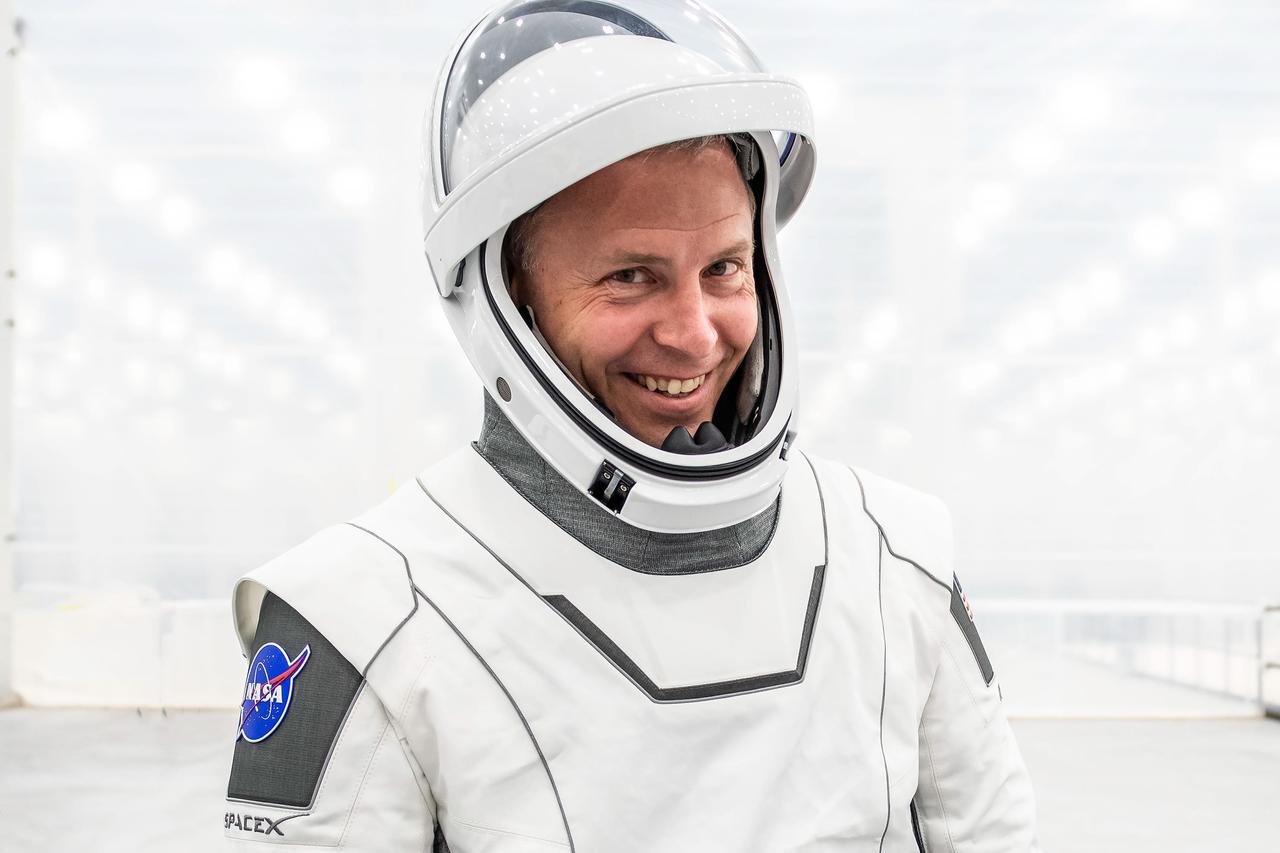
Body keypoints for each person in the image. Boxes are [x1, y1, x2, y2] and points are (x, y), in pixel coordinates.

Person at [221, 1, 1041, 850]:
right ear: (510, 302)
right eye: (629, 276)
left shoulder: (893, 556)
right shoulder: (361, 614)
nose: (694, 332)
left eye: (725, 267)